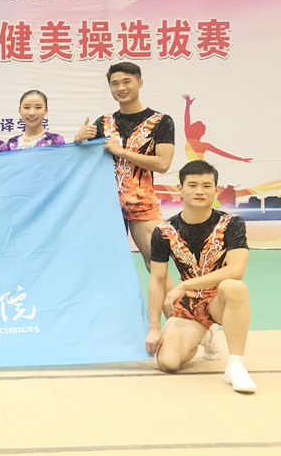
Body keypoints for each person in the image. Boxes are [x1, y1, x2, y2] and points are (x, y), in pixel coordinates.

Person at [73, 63, 180, 316]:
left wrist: (122, 152)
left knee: (156, 266)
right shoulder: (103, 123)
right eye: (115, 83)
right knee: (105, 267)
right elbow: (82, 164)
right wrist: (78, 140)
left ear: (140, 83)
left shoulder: (160, 121)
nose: (121, 88)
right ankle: (114, 326)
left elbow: (162, 164)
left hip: (142, 204)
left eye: (127, 81)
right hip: (106, 206)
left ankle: (180, 324)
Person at [145, 160, 255, 393]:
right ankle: (206, 336)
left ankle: (235, 365)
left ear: (216, 190)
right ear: (180, 188)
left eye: (206, 186)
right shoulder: (164, 231)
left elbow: (236, 270)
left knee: (234, 287)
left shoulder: (231, 224)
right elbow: (157, 280)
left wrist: (185, 285)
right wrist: (154, 328)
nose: (199, 191)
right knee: (168, 363)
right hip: (189, 306)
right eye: (192, 185)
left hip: (219, 302)